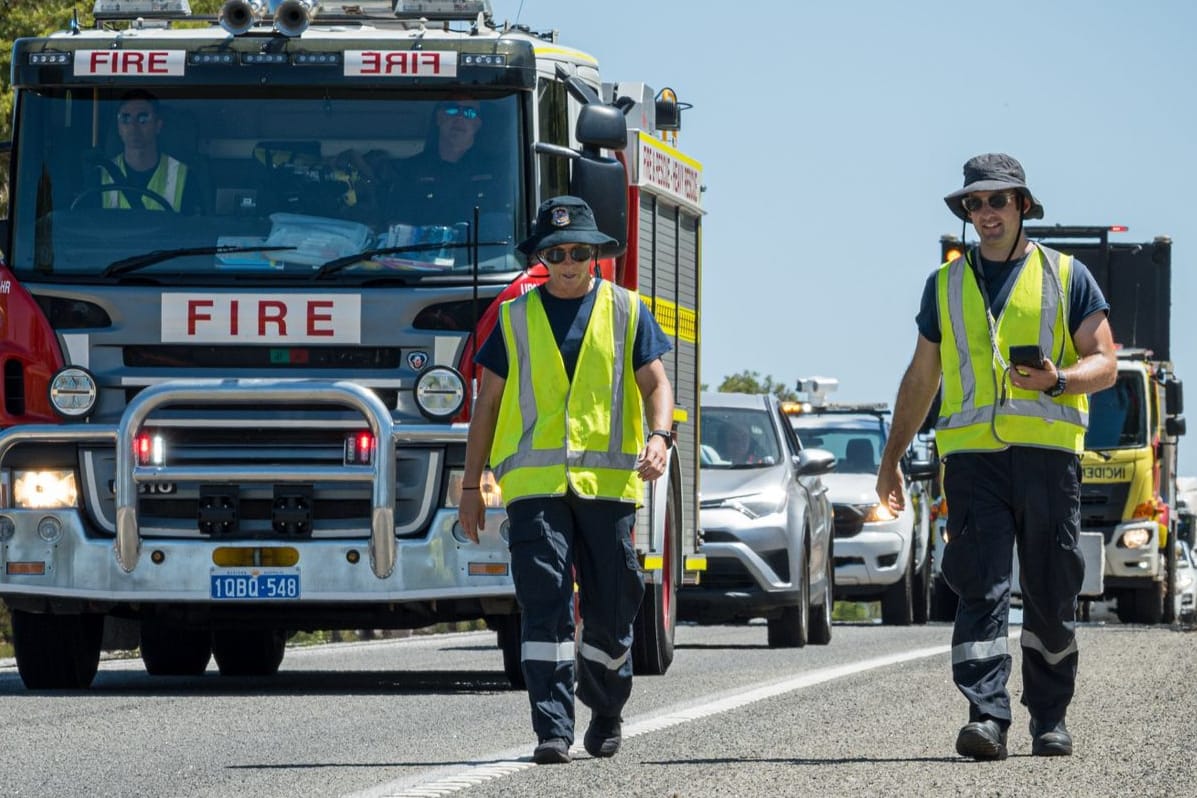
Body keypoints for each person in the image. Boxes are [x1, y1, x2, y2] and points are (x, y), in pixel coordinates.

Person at [876, 153, 1117, 761]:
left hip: (1048, 460)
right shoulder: (945, 286)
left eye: (997, 201)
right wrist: (892, 457)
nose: (984, 213)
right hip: (973, 462)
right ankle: (986, 715)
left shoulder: (1067, 276)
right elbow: (921, 376)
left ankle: (1050, 719)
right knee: (979, 586)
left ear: (1023, 206)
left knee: (1049, 591)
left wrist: (1058, 379)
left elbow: (1106, 362)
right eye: (974, 204)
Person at [458, 196, 674, 765]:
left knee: (610, 607)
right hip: (534, 490)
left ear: (596, 254)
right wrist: (469, 485)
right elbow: (487, 406)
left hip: (607, 490)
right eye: (557, 252)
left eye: (579, 250)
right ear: (542, 258)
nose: (569, 260)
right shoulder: (513, 318)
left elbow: (657, 384)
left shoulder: (628, 310)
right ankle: (551, 728)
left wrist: (660, 437)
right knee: (544, 604)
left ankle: (606, 708)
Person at [101, 90, 201, 213]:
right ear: (118, 127)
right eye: (125, 119)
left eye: (143, 118)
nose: (133, 126)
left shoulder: (184, 177)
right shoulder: (101, 175)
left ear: (158, 125)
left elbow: (193, 229)